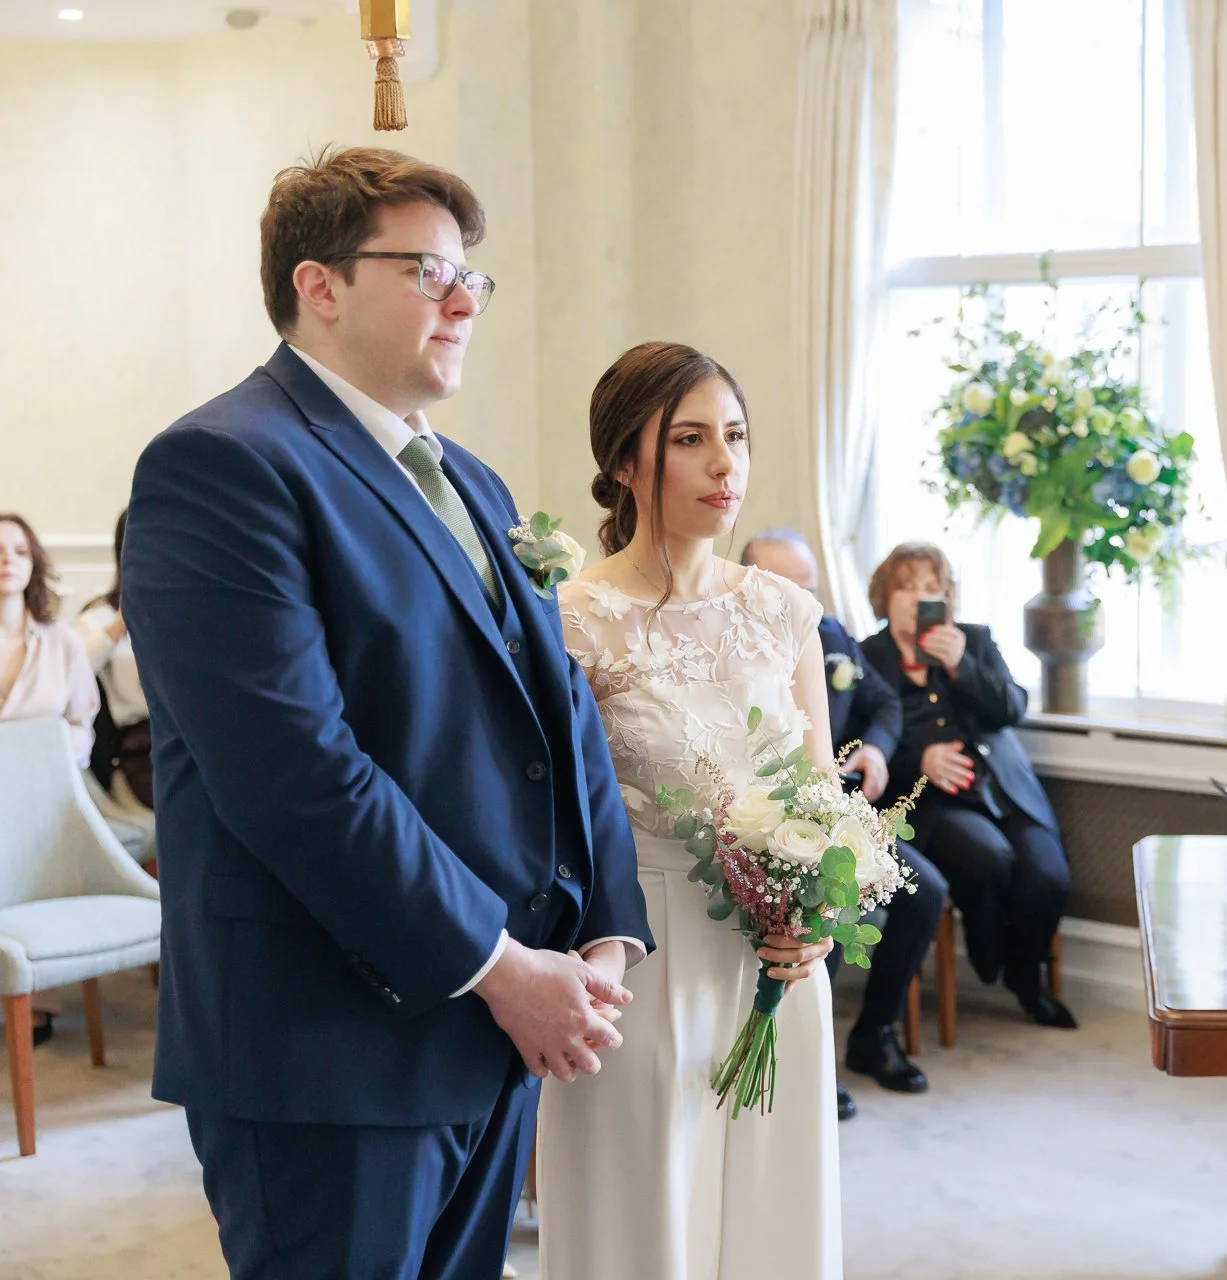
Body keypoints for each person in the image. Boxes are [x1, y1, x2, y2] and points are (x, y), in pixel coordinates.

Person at [120, 146, 651, 1280]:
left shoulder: (475, 479)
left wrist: (603, 923)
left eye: (471, 277)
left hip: (494, 1026)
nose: (463, 300)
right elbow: (296, 770)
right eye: (426, 270)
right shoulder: (222, 465)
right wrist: (502, 966)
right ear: (319, 286)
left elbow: (558, 713)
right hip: (330, 1039)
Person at [536, 343, 841, 1280]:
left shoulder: (785, 609)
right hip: (639, 954)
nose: (726, 465)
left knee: (771, 1212)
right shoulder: (572, 619)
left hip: (778, 963)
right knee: (645, 1215)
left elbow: (822, 793)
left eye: (737, 437)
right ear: (627, 462)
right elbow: (555, 822)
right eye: (692, 439)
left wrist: (824, 917)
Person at [740, 529, 949, 1118]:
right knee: (824, 910)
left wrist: (877, 750)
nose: (806, 603)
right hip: (762, 816)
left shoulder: (829, 634)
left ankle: (872, 1033)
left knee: (924, 892)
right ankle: (812, 1058)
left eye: (812, 588)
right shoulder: (738, 643)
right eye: (789, 588)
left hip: (838, 809)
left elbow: (883, 703)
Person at [860, 542, 1075, 1029]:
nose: (919, 597)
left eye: (931, 588)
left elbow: (1011, 708)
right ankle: (990, 953)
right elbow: (857, 738)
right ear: (884, 596)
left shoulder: (972, 641)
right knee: (989, 857)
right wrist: (920, 761)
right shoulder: (866, 655)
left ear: (947, 596)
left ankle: (1024, 977)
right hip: (929, 802)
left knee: (1049, 876)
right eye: (907, 587)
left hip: (1000, 789)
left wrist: (962, 667)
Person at [0, 511, 101, 1047]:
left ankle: (37, 996)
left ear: (33, 564)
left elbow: (82, 721)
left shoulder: (61, 642)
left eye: (18, 551)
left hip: (48, 798)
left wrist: (46, 764)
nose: (6, 561)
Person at [77, 509, 156, 825]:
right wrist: (123, 620)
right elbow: (74, 670)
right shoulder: (98, 617)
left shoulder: (185, 608)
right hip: (141, 746)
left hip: (194, 732)